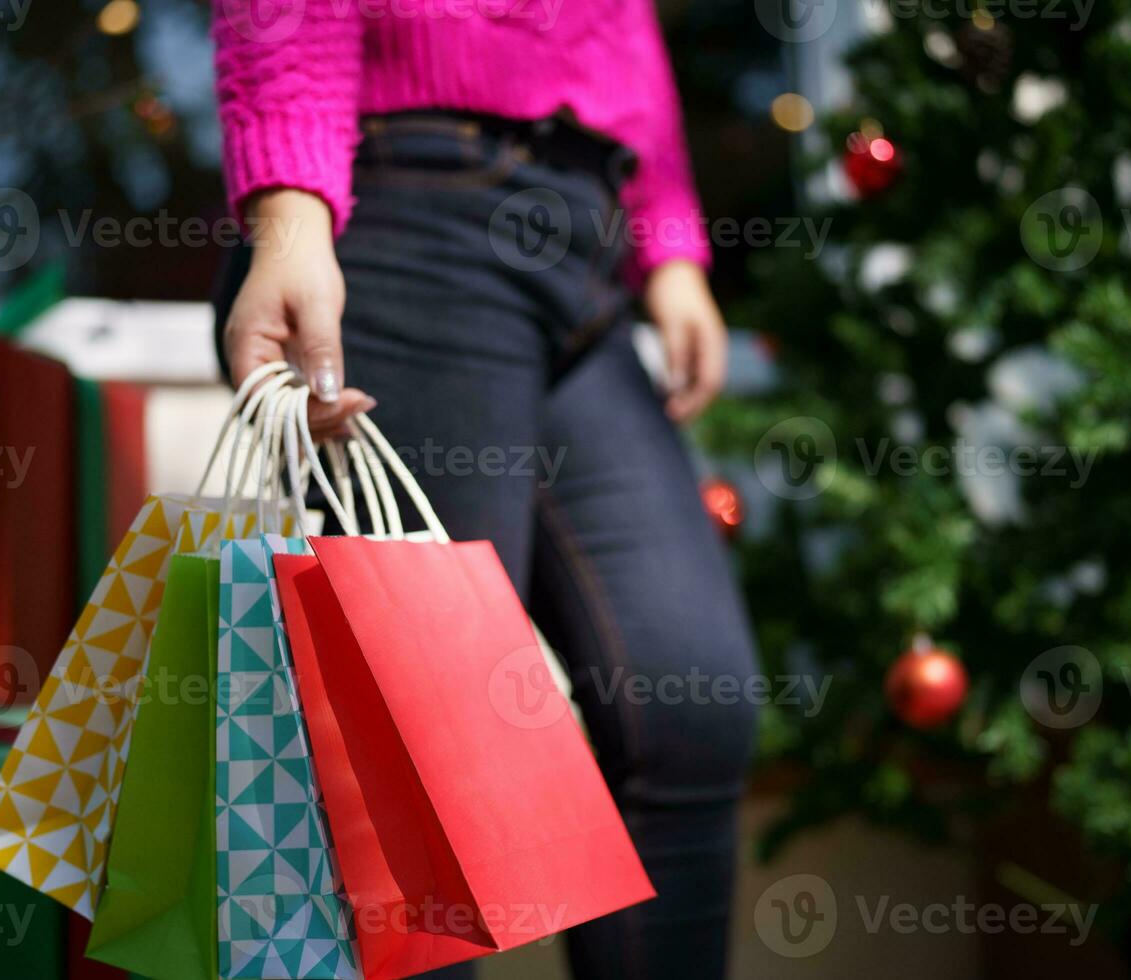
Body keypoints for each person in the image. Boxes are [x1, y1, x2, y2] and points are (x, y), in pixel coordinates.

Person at [210, 2, 758, 977]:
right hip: (404, 210)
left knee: (692, 701)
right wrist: (290, 208)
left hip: (584, 241)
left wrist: (667, 242)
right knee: (422, 763)